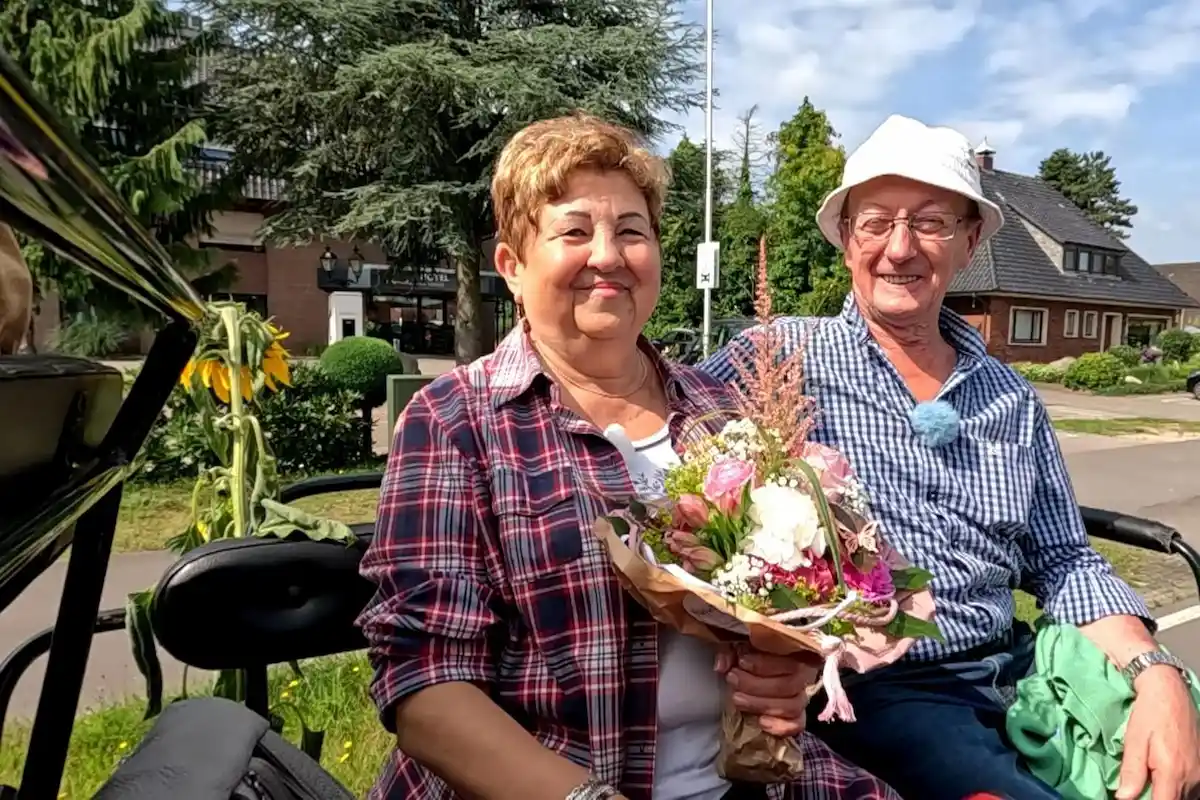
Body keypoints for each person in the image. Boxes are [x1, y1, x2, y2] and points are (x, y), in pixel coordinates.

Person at [356, 113, 900, 800]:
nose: (608, 255)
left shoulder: (722, 411)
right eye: (574, 231)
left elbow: (783, 607)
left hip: (744, 780)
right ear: (512, 267)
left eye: (632, 230)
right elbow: (425, 687)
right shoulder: (454, 421)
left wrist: (785, 670)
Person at [702, 114, 1200, 800]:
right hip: (884, 690)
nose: (899, 248)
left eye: (931, 223)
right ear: (846, 238)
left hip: (1021, 669)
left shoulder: (1010, 395)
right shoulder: (777, 359)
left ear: (968, 244)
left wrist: (1156, 674)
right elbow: (657, 434)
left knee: (1173, 760)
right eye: (875, 222)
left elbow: (1065, 558)